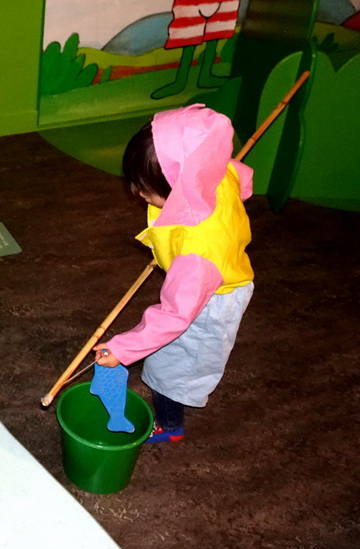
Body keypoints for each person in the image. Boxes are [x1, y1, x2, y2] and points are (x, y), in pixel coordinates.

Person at [93, 105, 255, 443]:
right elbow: (242, 177)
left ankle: (170, 427)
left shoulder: (196, 257)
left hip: (212, 301)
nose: (136, 194)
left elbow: (174, 316)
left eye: (143, 187)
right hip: (216, 272)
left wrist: (122, 349)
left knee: (173, 370)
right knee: (172, 359)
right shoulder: (214, 171)